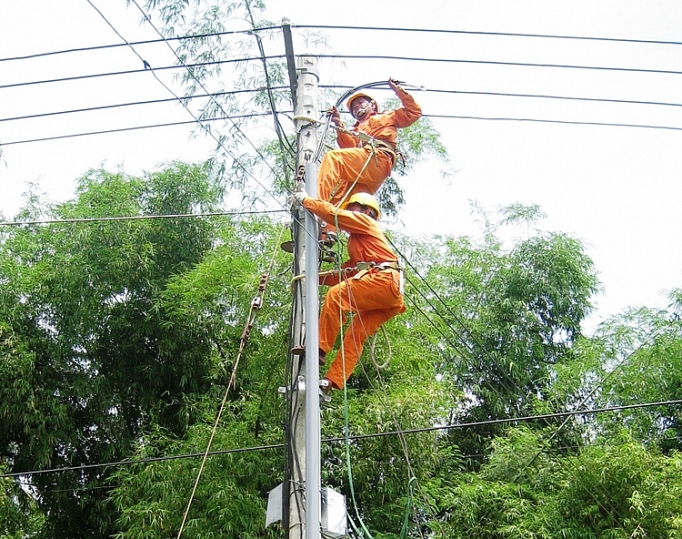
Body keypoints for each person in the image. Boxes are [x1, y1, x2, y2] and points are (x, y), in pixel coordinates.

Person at [291, 191, 405, 393]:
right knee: (355, 334)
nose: (349, 212)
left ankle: (318, 348)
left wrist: (306, 201)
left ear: (366, 210)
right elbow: (347, 272)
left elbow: (334, 215)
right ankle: (331, 381)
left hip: (383, 279)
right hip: (389, 293)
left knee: (337, 296)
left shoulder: (365, 222)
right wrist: (312, 278)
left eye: (352, 208)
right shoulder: (358, 242)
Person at [318, 79, 422, 236]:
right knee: (345, 198)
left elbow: (414, 112)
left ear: (372, 105)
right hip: (366, 170)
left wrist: (398, 90)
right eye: (353, 107)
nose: (357, 107)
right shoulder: (356, 130)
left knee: (333, 159)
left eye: (360, 103)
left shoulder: (385, 117)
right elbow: (349, 149)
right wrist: (339, 124)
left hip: (378, 158)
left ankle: (316, 201)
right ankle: (326, 234)